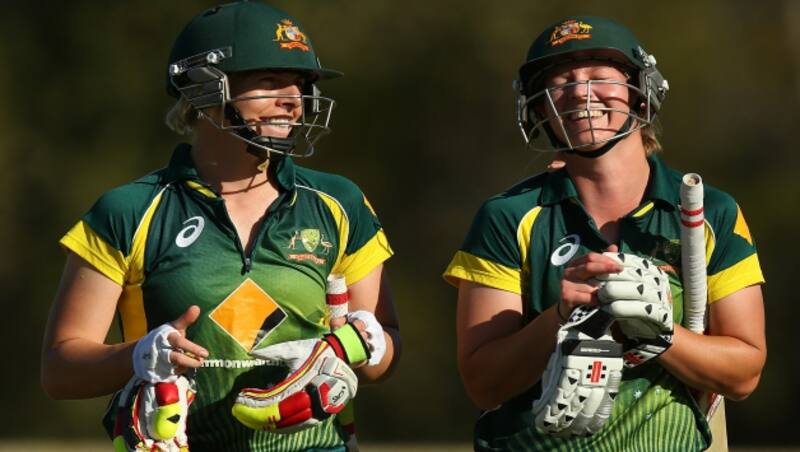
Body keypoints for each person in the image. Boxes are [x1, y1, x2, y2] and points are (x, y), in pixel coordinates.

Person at [41, 2, 400, 451]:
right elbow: (60, 371)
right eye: (270, 81)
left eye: (301, 83)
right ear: (204, 88)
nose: (293, 99)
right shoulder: (128, 210)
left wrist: (359, 344)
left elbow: (383, 359)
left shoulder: (339, 202)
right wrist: (139, 355)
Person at [443, 16, 765, 451]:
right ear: (538, 109)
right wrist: (559, 316)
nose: (580, 93)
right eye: (561, 82)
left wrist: (659, 333)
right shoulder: (507, 216)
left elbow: (744, 375)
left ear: (641, 92)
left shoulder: (711, 212)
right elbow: (483, 384)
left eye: (599, 76)